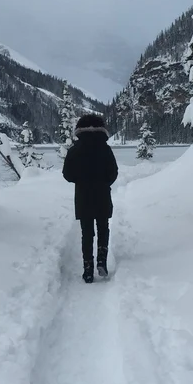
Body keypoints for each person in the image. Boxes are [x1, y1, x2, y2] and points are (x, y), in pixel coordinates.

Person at [62, 113, 119, 283]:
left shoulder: (74, 150)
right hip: (102, 194)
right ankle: (101, 260)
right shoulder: (105, 148)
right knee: (103, 228)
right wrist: (104, 182)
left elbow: (67, 174)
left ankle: (88, 268)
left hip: (83, 196)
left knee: (86, 233)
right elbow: (113, 172)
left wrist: (80, 181)